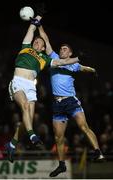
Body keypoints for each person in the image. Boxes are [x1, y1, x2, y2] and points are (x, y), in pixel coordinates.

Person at [4, 15, 79, 163]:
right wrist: (37, 17)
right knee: (25, 107)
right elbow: (32, 28)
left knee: (28, 121)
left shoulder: (45, 59)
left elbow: (61, 62)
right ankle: (33, 136)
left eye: (39, 41)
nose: (36, 41)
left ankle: (11, 144)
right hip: (18, 81)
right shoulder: (26, 46)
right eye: (35, 40)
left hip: (31, 86)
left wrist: (78, 58)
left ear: (43, 48)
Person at [38, 23, 105, 177]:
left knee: (83, 126)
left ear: (70, 54)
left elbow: (84, 68)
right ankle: (62, 165)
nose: (62, 50)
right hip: (57, 104)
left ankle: (98, 152)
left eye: (65, 49)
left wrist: (93, 70)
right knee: (58, 136)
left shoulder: (74, 64)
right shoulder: (53, 57)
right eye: (61, 48)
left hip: (71, 101)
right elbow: (46, 40)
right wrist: (39, 25)